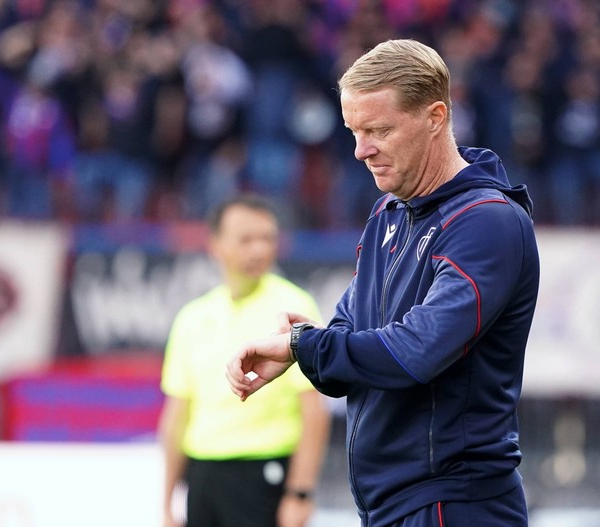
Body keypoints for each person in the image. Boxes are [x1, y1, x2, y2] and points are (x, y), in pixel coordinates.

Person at [226, 39, 540, 527]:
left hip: (454, 504)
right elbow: (352, 334)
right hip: (389, 505)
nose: (360, 150)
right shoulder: (388, 212)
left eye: (378, 130)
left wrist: (306, 347)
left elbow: (416, 352)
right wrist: (305, 350)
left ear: (436, 117)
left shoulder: (487, 222)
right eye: (354, 131)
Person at [159, 193, 331, 527]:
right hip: (203, 475)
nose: (259, 249)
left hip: (264, 473)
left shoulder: (293, 307)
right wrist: (167, 502)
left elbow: (314, 412)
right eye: (246, 239)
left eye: (267, 238)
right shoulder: (192, 317)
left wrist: (300, 494)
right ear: (216, 245)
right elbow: (177, 415)